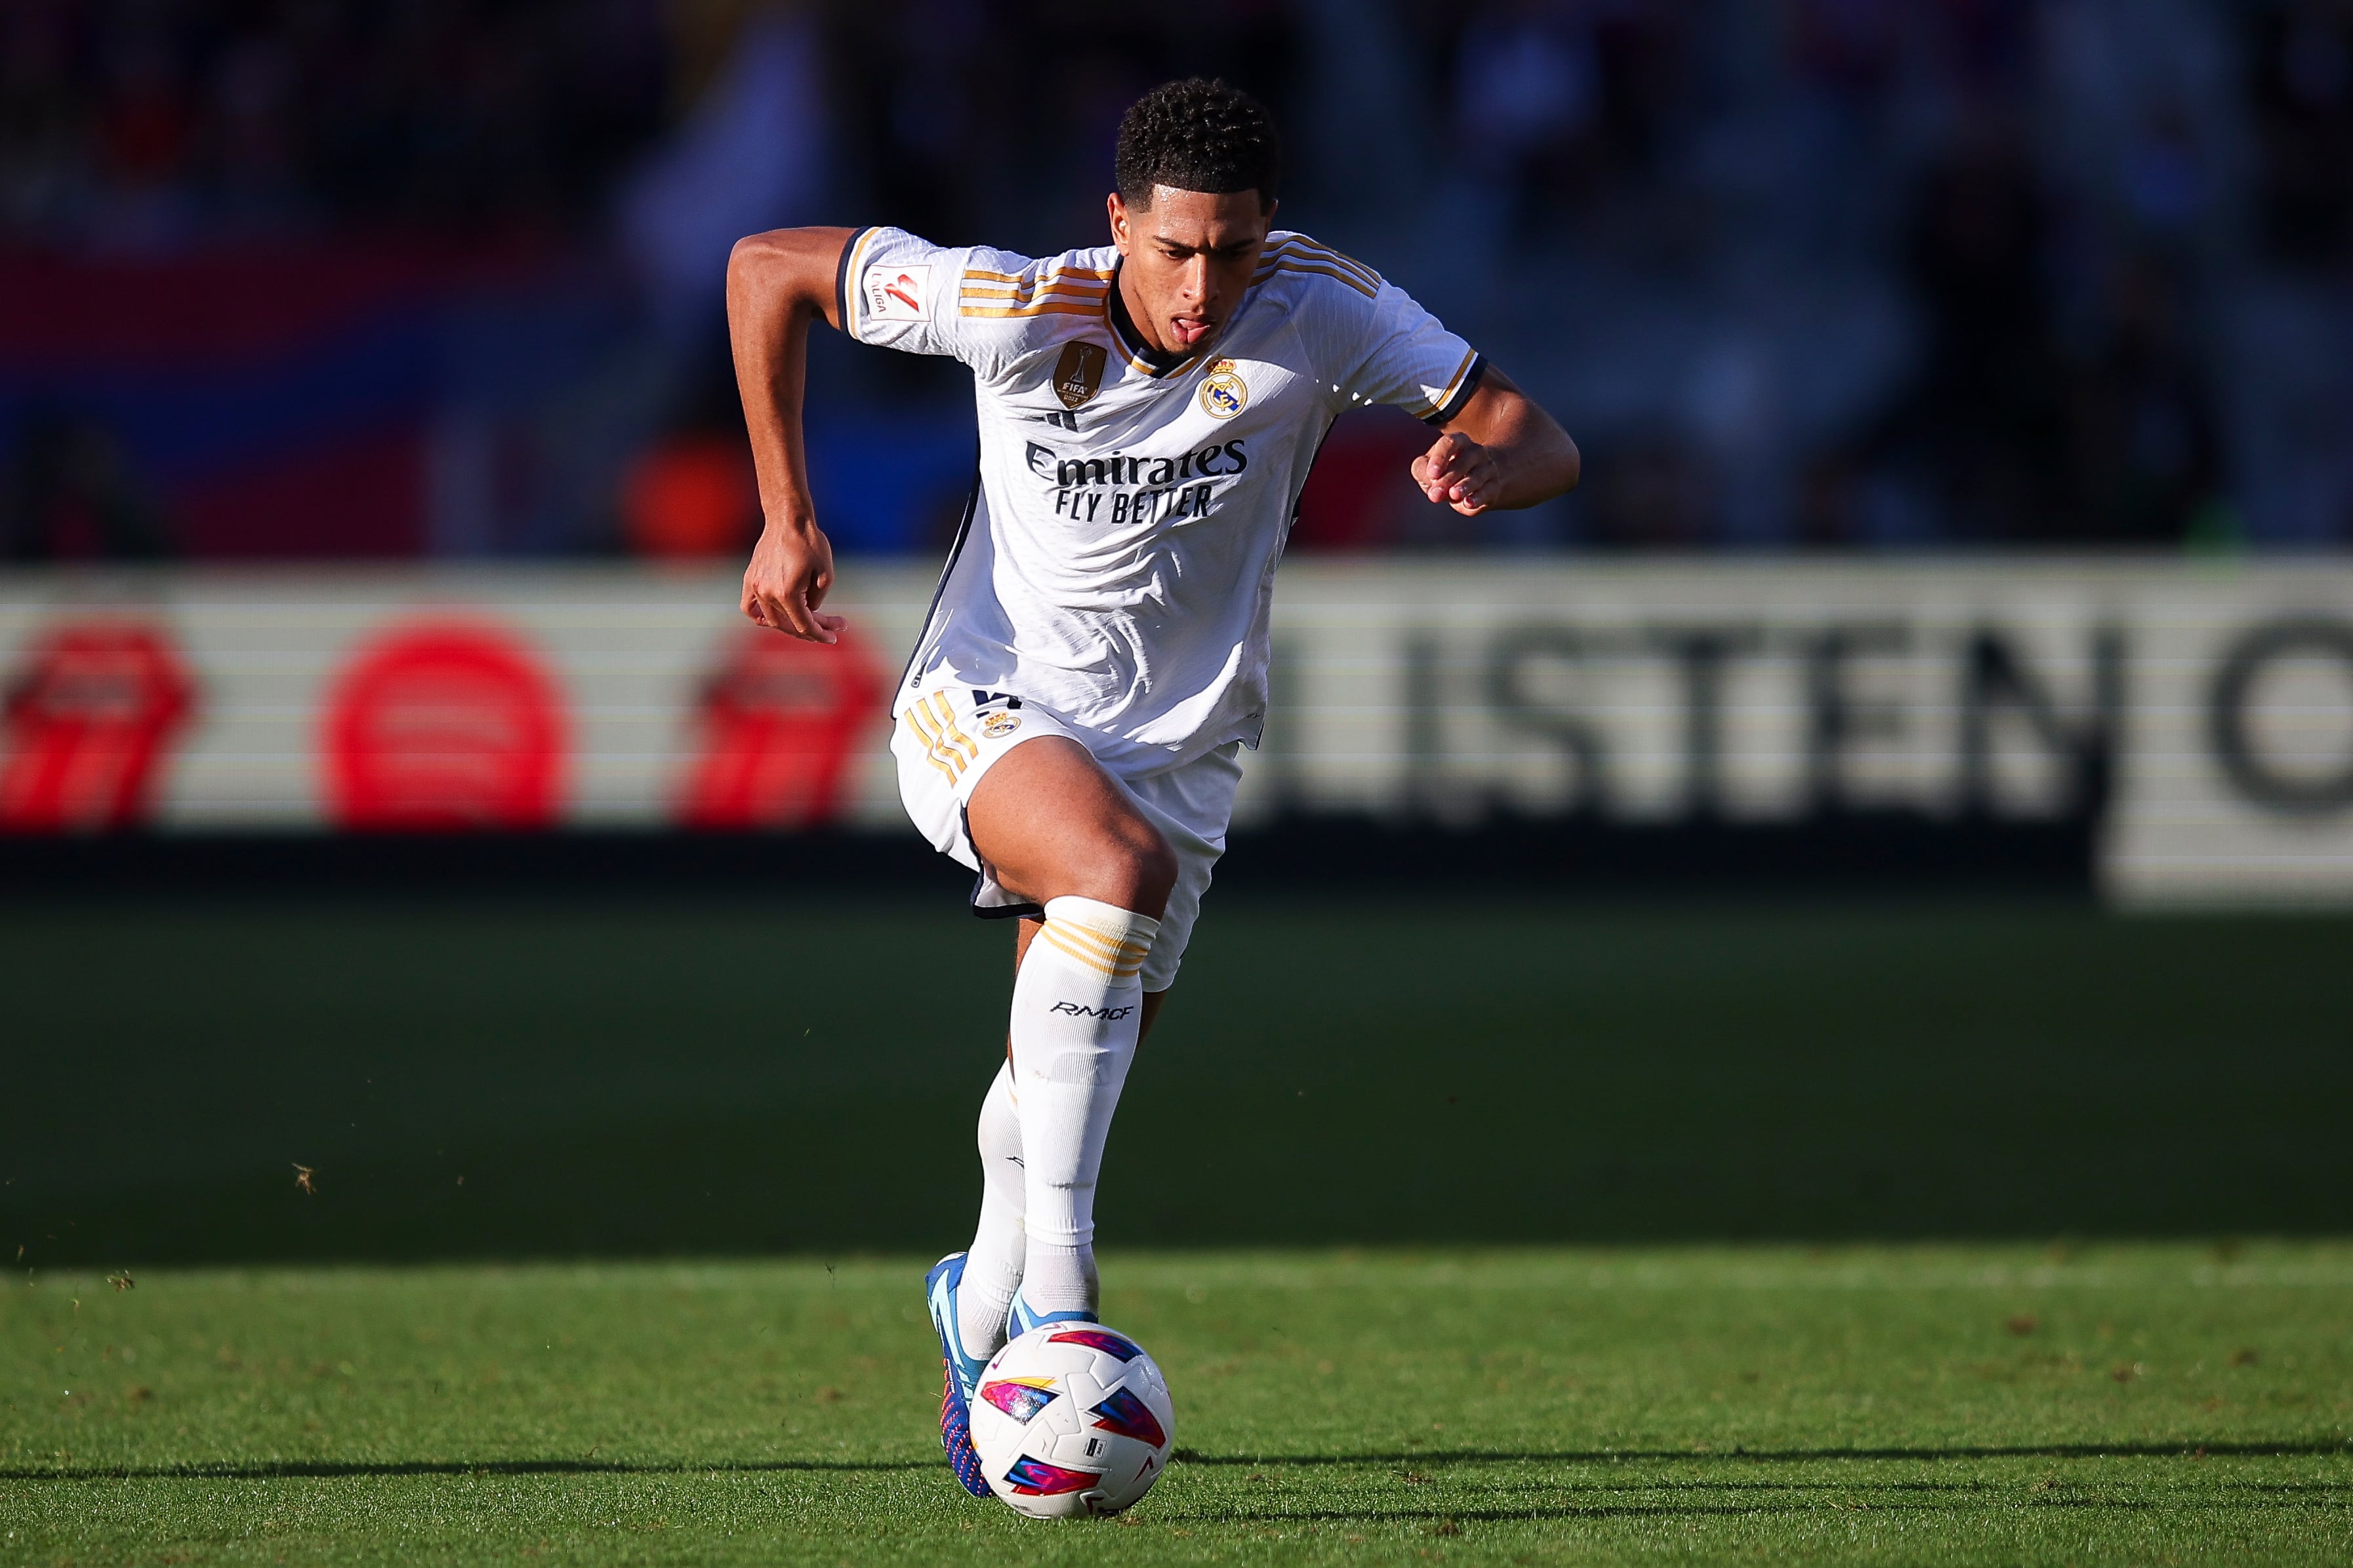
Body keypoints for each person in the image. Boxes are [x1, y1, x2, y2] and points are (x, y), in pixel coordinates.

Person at [727, 77, 1580, 1496]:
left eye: (1236, 250)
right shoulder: (1012, 305)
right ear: (1116, 220)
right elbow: (769, 268)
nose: (1205, 286)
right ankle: (1061, 1316)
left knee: (1065, 1063)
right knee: (1107, 879)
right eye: (1176, 248)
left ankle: (975, 1301)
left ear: (1270, 232)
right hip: (987, 705)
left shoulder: (1329, 308)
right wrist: (784, 512)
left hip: (1184, 757)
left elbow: (1536, 429)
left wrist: (1493, 471)